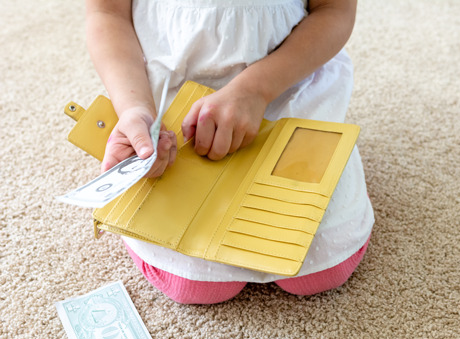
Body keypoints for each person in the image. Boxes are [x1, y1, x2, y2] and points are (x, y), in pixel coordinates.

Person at [85, 0, 374, 304]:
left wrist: (256, 89)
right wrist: (135, 109)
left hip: (285, 81)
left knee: (323, 269)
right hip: (176, 95)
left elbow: (334, 9)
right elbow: (106, 13)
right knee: (193, 284)